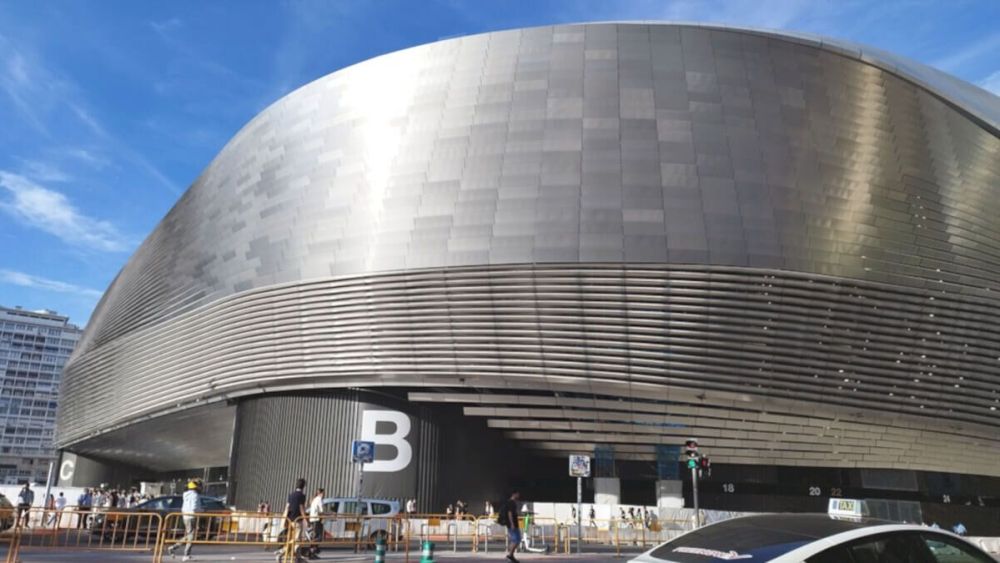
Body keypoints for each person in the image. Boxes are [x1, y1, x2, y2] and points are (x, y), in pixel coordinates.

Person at [167, 480, 203, 562]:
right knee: (191, 536)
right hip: (191, 516)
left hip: (185, 516)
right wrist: (201, 510)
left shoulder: (185, 494)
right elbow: (194, 507)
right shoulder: (195, 495)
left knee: (190, 535)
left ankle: (173, 548)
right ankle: (186, 554)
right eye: (198, 486)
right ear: (196, 487)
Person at [275, 478, 308, 562]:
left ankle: (297, 558)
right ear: (303, 486)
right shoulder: (302, 496)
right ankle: (284, 554)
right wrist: (306, 519)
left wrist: (285, 518)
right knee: (296, 540)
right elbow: (301, 508)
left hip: (290, 520)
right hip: (297, 520)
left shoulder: (291, 495)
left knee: (291, 539)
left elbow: (287, 507)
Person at [499, 490, 521, 563]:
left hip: (513, 524)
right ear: (514, 494)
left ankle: (511, 555)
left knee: (517, 539)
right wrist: (512, 524)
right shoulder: (511, 503)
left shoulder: (511, 502)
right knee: (516, 540)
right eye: (517, 494)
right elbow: (509, 514)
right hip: (512, 524)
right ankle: (510, 555)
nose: (518, 495)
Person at [307, 488, 325, 559]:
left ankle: (312, 552)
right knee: (318, 537)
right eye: (323, 493)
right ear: (320, 493)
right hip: (316, 520)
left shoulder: (314, 499)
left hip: (312, 520)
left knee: (315, 536)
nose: (324, 495)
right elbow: (321, 510)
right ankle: (312, 551)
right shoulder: (319, 499)